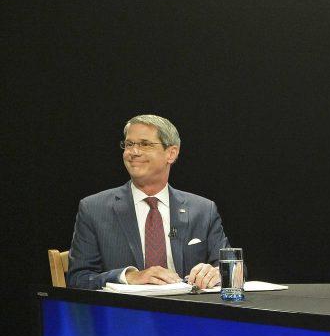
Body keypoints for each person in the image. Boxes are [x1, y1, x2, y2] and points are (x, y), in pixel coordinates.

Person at [67, 114, 229, 290]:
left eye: (145, 144)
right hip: (125, 313)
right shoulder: (93, 209)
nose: (133, 152)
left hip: (188, 312)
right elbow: (78, 279)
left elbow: (232, 267)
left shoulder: (203, 209)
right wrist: (129, 277)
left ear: (171, 153)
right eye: (129, 144)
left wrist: (217, 273)